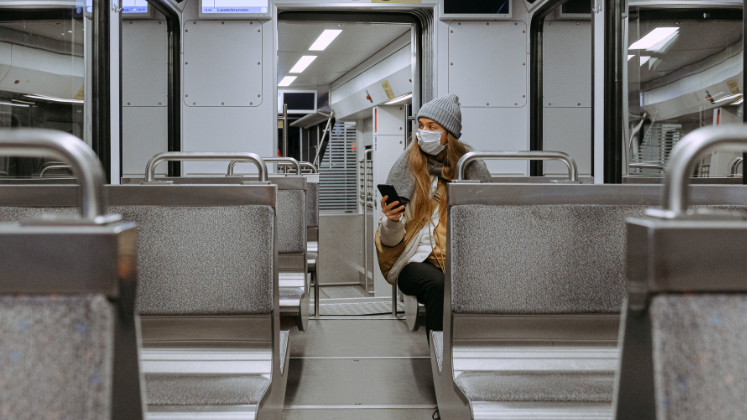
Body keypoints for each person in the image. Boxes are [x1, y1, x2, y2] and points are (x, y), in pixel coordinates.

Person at [375, 94, 491, 341]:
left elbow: (487, 220)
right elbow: (391, 242)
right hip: (415, 261)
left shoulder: (471, 168)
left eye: (432, 127)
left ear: (448, 134)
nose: (422, 132)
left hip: (460, 258)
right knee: (438, 285)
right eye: (420, 126)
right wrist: (391, 221)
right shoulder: (407, 167)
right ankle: (440, 357)